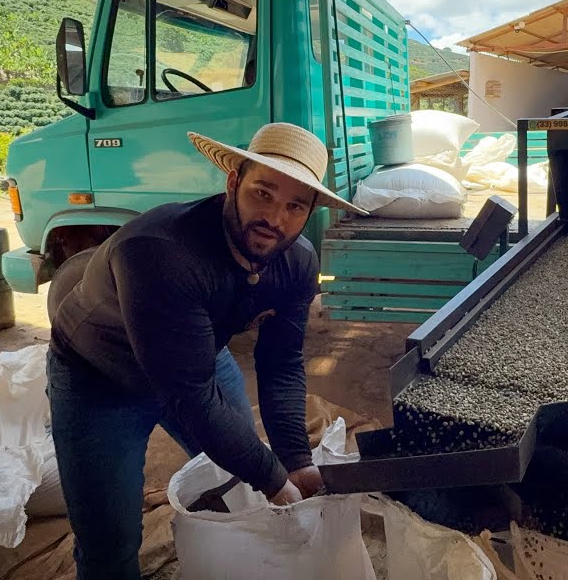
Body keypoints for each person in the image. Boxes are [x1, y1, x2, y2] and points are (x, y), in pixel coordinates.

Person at [46, 122, 367, 579]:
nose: (275, 220)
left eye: (295, 205)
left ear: (311, 209)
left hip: (197, 355)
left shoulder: (298, 262)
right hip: (100, 378)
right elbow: (192, 397)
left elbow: (280, 364)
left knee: (244, 480)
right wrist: (277, 483)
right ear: (233, 180)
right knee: (110, 544)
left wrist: (295, 462)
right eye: (263, 193)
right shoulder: (158, 251)